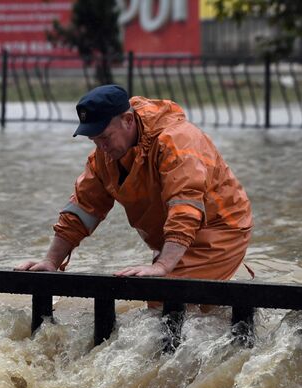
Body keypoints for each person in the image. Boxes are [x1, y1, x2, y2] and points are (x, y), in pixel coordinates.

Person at [16, 84, 252, 285]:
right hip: (174, 237)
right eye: (94, 140)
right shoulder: (105, 155)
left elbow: (185, 207)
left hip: (221, 230)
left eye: (105, 137)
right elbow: (83, 208)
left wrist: (163, 265)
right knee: (167, 304)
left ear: (128, 120)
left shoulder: (177, 141)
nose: (101, 147)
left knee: (165, 301)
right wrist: (50, 262)